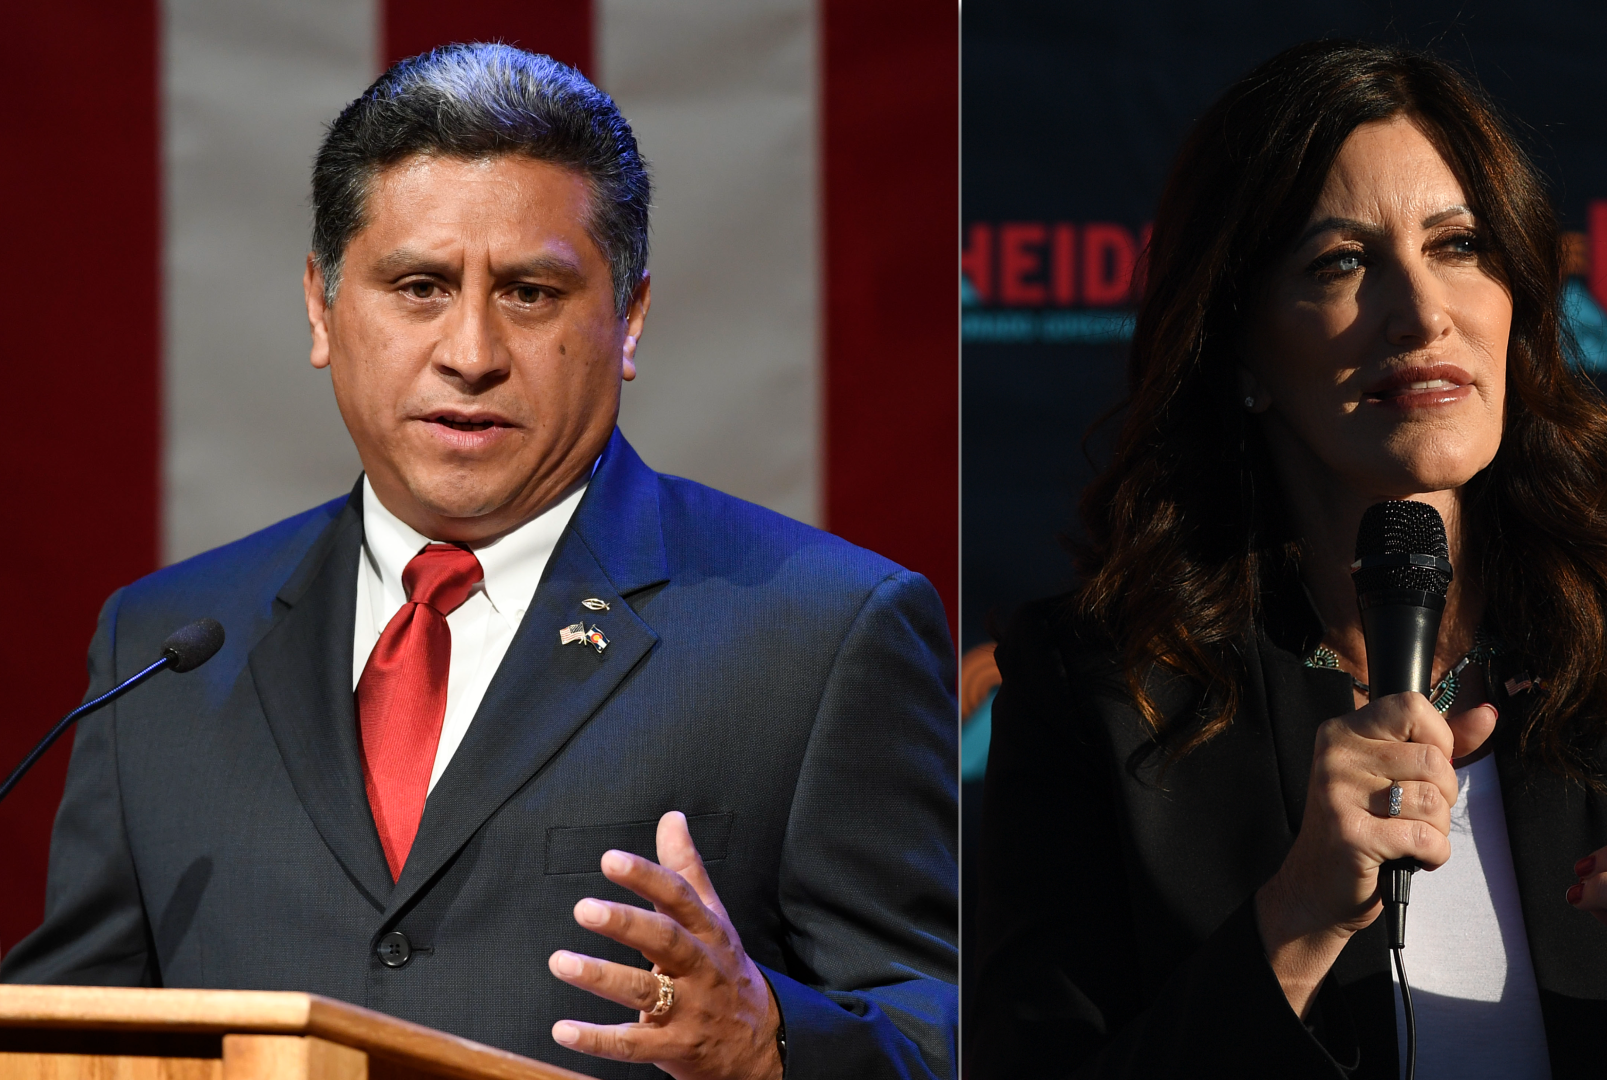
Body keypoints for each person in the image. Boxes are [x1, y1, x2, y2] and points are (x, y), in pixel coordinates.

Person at [0, 43, 956, 1080]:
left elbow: (937, 1036)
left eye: (532, 294)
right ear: (322, 307)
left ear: (628, 317)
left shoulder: (822, 633)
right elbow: (67, 1034)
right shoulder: (163, 648)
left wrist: (767, 1041)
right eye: (418, 286)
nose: (470, 351)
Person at [970, 40, 1607, 1080]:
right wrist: (1295, 921)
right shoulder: (1098, 687)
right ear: (1241, 351)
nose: (1424, 312)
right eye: (1342, 263)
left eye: (1459, 245)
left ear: (1517, 296)